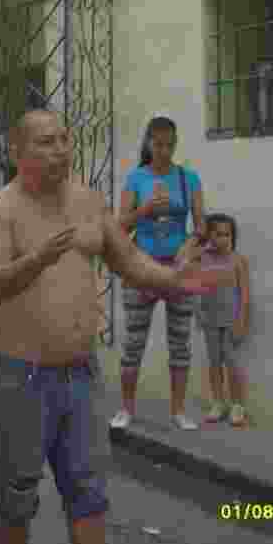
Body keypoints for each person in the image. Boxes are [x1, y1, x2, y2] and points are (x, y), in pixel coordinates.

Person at [0, 110, 228, 544]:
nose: (60, 149)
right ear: (18, 152)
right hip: (21, 376)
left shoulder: (88, 201)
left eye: (64, 139)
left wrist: (173, 278)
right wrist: (36, 260)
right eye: (46, 142)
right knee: (17, 492)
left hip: (81, 373)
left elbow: (126, 258)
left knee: (88, 489)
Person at [111, 114, 207, 431]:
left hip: (179, 271)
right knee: (133, 343)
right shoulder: (136, 179)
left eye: (170, 145)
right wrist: (145, 210)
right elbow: (119, 227)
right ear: (149, 144)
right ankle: (126, 408)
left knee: (180, 343)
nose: (164, 151)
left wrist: (189, 244)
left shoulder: (189, 179)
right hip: (141, 268)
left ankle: (178, 411)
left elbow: (202, 227)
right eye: (159, 145)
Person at [197, 213, 251, 427]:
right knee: (214, 362)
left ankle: (237, 405)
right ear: (209, 236)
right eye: (218, 234)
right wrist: (198, 313)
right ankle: (218, 402)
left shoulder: (238, 261)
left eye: (227, 235)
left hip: (231, 321)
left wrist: (241, 321)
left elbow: (245, 295)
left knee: (231, 362)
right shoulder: (203, 259)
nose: (223, 239)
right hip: (210, 319)